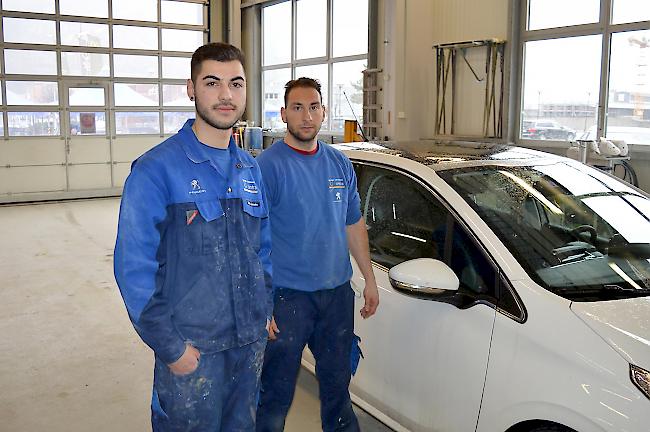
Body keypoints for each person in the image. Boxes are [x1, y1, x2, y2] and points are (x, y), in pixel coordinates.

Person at [113, 42, 273, 431]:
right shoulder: (156, 171)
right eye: (212, 83)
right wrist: (170, 347)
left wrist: (264, 308)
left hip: (248, 346)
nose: (225, 95)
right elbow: (133, 269)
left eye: (236, 84)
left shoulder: (249, 168)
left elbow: (262, 250)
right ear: (191, 88)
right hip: (192, 352)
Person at [255, 77, 379, 432]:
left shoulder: (339, 164)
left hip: (336, 296)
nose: (306, 116)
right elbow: (251, 239)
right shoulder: (267, 167)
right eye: (297, 108)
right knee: (275, 393)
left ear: (324, 112)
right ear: (283, 114)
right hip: (288, 298)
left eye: (313, 107)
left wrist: (368, 279)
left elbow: (353, 225)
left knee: (338, 387)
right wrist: (261, 303)